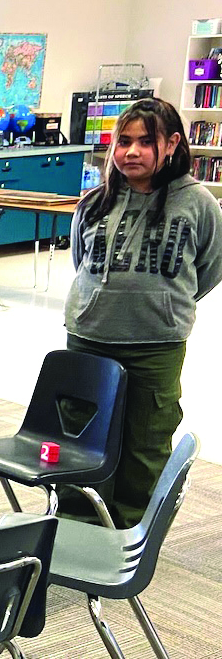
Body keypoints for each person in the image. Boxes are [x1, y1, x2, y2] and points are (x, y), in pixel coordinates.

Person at [63, 97, 222, 527]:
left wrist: (164, 303)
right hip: (90, 337)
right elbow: (82, 264)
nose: (131, 152)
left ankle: (129, 530)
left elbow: (209, 268)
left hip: (155, 345)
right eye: (124, 141)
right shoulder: (95, 202)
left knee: (146, 441)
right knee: (80, 436)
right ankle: (77, 524)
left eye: (145, 142)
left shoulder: (198, 203)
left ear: (171, 144)